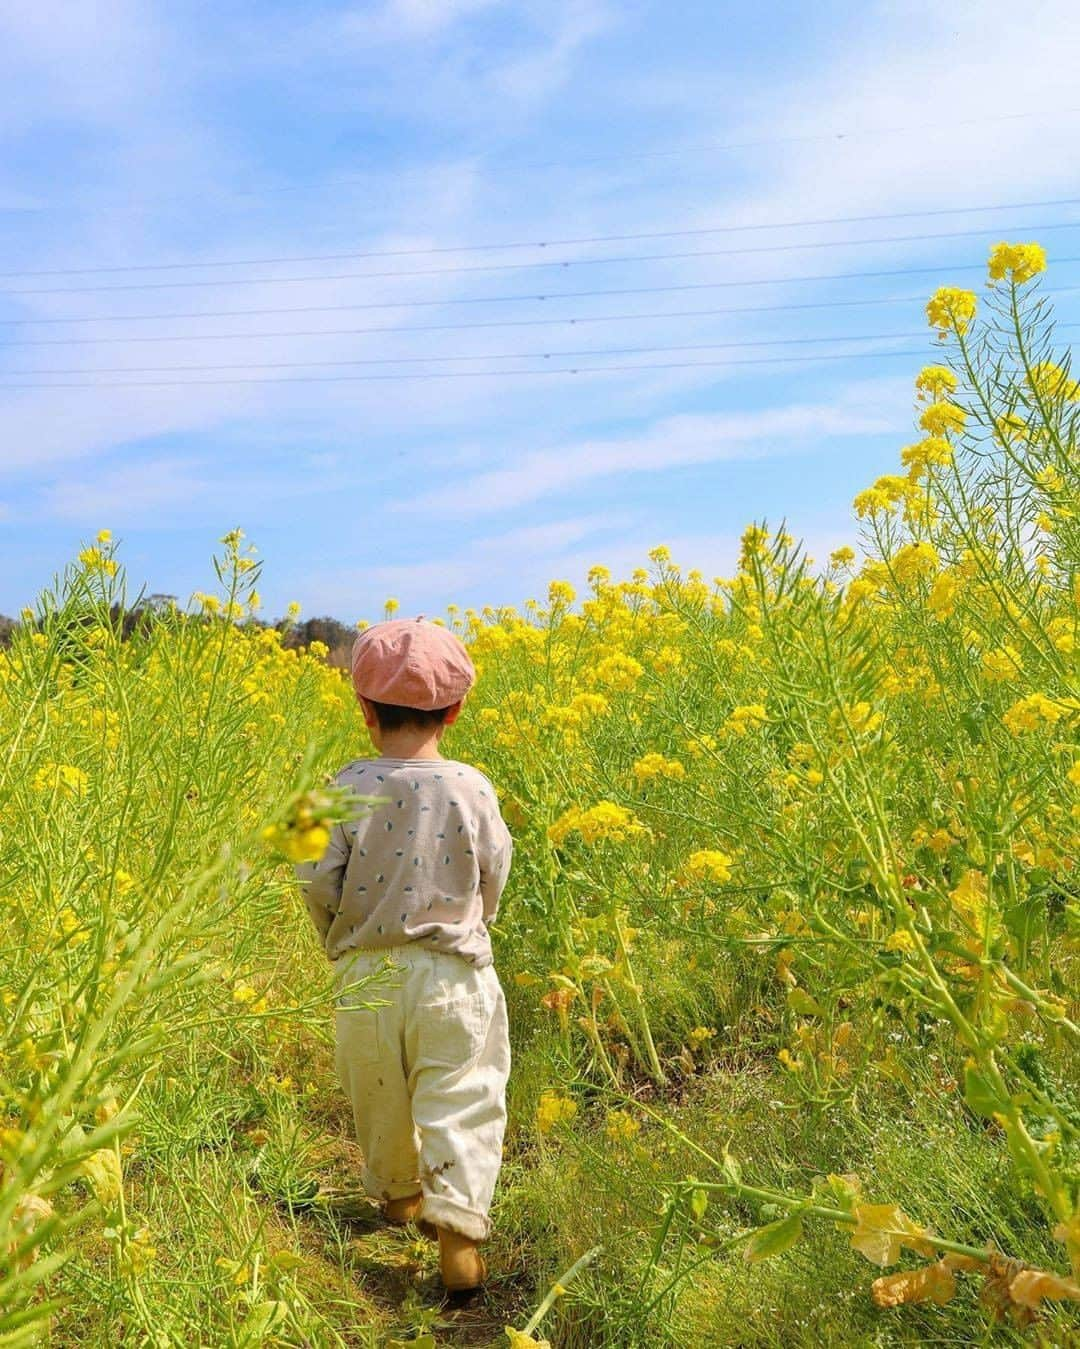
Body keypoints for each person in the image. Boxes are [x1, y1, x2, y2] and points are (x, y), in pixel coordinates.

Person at [297, 617, 512, 1296]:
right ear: (454, 709)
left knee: (379, 1095)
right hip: (453, 972)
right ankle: (457, 1237)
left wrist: (336, 937)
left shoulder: (335, 785)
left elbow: (308, 875)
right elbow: (494, 870)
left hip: (365, 973)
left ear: (363, 709)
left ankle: (398, 1198)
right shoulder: (473, 785)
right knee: (461, 1097)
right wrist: (478, 920)